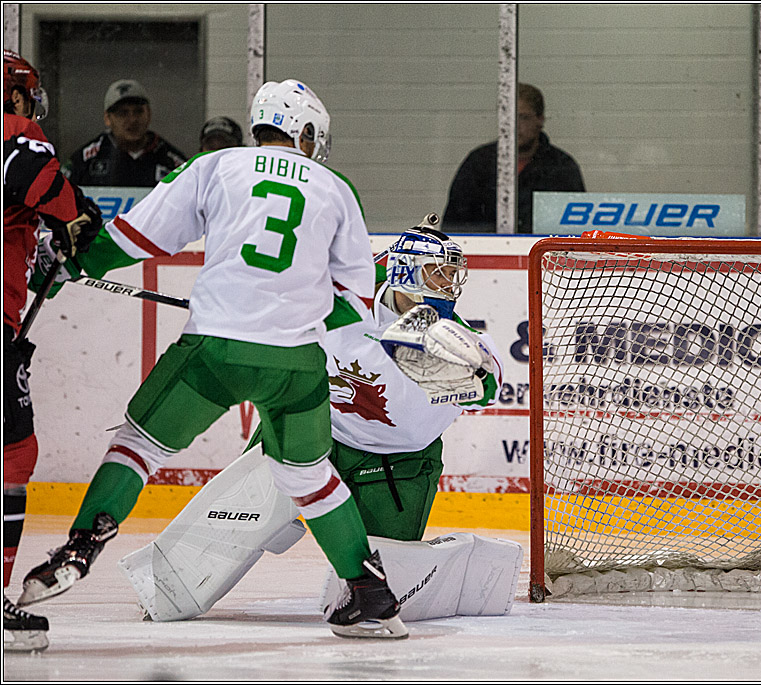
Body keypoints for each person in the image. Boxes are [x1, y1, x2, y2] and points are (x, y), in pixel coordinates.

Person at [18, 79, 409, 640]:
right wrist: (304, 318)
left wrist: (75, 268)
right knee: (311, 477)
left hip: (215, 351)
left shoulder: (217, 166)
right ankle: (371, 593)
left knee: (138, 445)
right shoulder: (336, 187)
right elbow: (356, 297)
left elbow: (136, 237)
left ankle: (82, 545)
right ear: (302, 132)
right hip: (297, 364)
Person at [118, 218, 513, 624]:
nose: (448, 284)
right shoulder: (341, 295)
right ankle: (166, 587)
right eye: (438, 272)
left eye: (452, 275)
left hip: (398, 465)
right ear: (405, 272)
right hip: (311, 431)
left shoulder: (457, 339)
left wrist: (464, 373)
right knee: (234, 518)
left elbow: (487, 387)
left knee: (382, 593)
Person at [3, 49, 103, 652]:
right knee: (13, 453)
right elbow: (34, 173)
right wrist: (75, 213)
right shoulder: (15, 130)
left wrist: (43, 248)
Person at [442, 83, 585, 234]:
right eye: (507, 117)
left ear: (540, 120)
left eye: (523, 117)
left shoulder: (561, 166)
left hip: (543, 255)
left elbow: (575, 228)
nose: (514, 125)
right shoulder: (479, 162)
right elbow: (454, 226)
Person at [64, 79, 187, 187]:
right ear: (107, 118)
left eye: (138, 112)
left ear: (149, 114)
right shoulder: (85, 161)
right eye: (122, 113)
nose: (132, 120)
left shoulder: (172, 161)